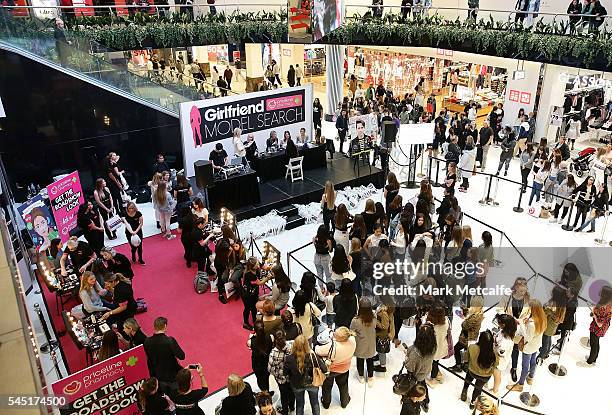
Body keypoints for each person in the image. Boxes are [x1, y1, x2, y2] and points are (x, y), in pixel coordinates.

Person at [507, 299, 547, 392]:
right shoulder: (542, 318)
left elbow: (527, 338)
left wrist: (521, 324)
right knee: (533, 361)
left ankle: (520, 385)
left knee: (525, 366)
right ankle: (530, 378)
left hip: (529, 347)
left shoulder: (532, 324)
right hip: (536, 344)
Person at [284, 335, 327, 415]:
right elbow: (325, 369)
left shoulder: (289, 358)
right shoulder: (313, 357)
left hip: (297, 385)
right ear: (307, 345)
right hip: (313, 383)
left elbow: (285, 373)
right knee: (315, 403)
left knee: (299, 404)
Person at [315, 326, 355, 409]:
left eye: (335, 334)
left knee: (327, 387)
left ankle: (326, 403)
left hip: (331, 370)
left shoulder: (332, 346)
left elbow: (317, 350)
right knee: (343, 385)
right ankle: (345, 402)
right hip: (345, 368)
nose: (333, 334)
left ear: (339, 339)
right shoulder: (352, 341)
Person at [144, 317, 186, 393]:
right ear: (165, 326)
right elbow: (182, 356)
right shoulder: (169, 341)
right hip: (172, 375)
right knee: (177, 394)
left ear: (154, 327)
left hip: (158, 375)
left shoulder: (147, 341)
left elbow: (148, 358)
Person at [404, 323, 437, 413]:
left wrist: (406, 357)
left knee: (415, 388)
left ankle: (420, 402)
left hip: (415, 375)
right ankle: (426, 402)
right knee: (423, 384)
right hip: (426, 371)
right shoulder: (434, 347)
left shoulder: (415, 352)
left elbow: (409, 367)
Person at [460, 330, 497, 409]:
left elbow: (466, 359)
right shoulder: (494, 352)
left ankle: (464, 391)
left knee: (468, 378)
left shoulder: (472, 347)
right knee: (478, 388)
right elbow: (496, 364)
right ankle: (473, 403)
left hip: (472, 371)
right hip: (485, 376)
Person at [449, 296, 485, 372]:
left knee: (456, 348)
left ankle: (458, 365)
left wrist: (465, 318)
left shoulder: (475, 317)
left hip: (466, 337)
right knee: (466, 350)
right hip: (472, 337)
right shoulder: (480, 313)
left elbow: (464, 325)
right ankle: (465, 365)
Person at [582, 285, 612, 366]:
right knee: (596, 343)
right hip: (603, 327)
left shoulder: (603, 308)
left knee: (593, 344)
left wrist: (594, 314)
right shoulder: (609, 304)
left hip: (597, 328)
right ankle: (594, 358)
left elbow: (599, 324)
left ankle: (590, 361)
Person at [350, 297, 377, 386]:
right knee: (370, 361)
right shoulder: (374, 318)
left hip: (360, 344)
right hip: (371, 344)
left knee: (360, 361)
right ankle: (370, 378)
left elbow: (351, 332)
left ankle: (361, 376)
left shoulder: (356, 320)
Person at [268, 331, 295, 414]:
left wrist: (277, 374)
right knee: (292, 392)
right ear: (285, 336)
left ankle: (285, 411)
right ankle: (292, 406)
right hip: (292, 377)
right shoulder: (292, 346)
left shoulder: (273, 353)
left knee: (283, 395)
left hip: (281, 379)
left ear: (275, 340)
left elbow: (270, 369)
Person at [539, 286, 567, 361]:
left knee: (545, 340)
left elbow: (545, 312)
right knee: (548, 338)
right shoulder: (562, 305)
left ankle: (542, 356)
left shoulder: (553, 304)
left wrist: (545, 308)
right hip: (554, 326)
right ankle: (546, 352)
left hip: (548, 325)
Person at [491, 314, 517, 394]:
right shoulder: (506, 331)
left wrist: (494, 344)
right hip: (497, 357)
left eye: (499, 322)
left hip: (499, 361)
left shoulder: (506, 341)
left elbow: (500, 353)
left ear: (504, 325)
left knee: (497, 376)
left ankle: (495, 391)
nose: (497, 323)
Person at [247, 320, 274, 393]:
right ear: (264, 328)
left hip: (257, 364)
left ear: (254, 330)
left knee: (260, 379)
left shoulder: (250, 341)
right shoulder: (270, 337)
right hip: (267, 362)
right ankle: (266, 391)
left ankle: (264, 392)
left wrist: (252, 337)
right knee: (266, 378)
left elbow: (248, 345)